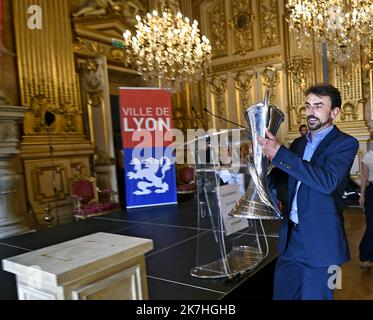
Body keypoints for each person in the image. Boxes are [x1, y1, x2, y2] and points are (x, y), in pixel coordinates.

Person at [259, 84, 359, 300]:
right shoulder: (297, 144)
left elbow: (327, 182)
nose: (311, 112)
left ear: (334, 112)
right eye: (308, 106)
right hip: (291, 240)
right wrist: (262, 163)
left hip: (323, 244)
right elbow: (285, 181)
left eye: (318, 106)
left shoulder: (346, 144)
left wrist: (280, 154)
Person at [358, 139, 373, 270]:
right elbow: (364, 176)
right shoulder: (368, 156)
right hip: (372, 192)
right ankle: (365, 256)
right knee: (371, 226)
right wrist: (362, 195)